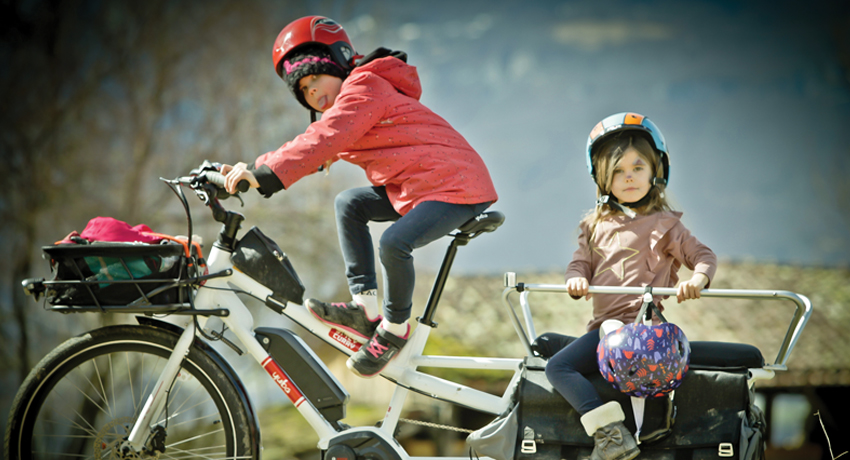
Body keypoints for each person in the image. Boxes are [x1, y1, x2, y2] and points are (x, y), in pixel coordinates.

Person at [221, 16, 498, 378]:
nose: (313, 92)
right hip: (420, 185)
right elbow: (319, 145)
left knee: (395, 243)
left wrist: (263, 174)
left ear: (338, 62)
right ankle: (366, 310)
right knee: (348, 203)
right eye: (303, 90)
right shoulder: (351, 105)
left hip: (456, 186)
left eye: (315, 77)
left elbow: (325, 138)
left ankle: (395, 329)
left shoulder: (364, 86)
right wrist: (250, 169)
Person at [544, 112, 716, 460]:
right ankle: (618, 429)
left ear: (656, 171)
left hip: (642, 328)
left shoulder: (666, 225)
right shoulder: (593, 225)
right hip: (604, 330)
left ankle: (617, 432)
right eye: (618, 171)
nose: (629, 177)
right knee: (553, 357)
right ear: (603, 180)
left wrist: (697, 280)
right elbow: (580, 263)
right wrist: (576, 278)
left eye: (638, 168)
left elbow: (703, 256)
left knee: (568, 362)